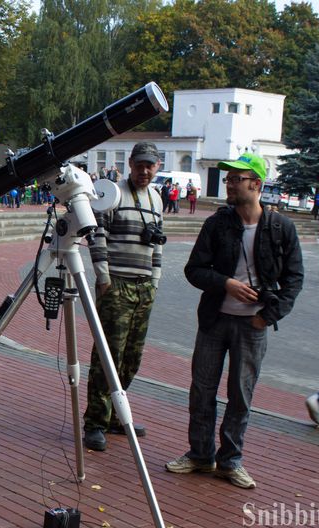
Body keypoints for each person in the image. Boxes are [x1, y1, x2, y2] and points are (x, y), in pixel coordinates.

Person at [165, 153, 303, 489]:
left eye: (235, 179)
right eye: (227, 179)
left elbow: (294, 279)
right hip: (214, 320)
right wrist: (225, 283)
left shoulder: (280, 227)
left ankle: (230, 461)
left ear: (255, 184)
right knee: (202, 391)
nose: (228, 183)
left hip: (252, 326)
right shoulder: (217, 223)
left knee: (241, 395)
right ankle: (200, 455)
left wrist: (267, 317)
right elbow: (194, 269)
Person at [83, 141, 165, 452]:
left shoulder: (156, 198)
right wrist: (103, 278)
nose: (144, 170)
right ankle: (95, 422)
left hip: (144, 286)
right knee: (108, 356)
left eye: (150, 165)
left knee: (132, 357)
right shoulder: (112, 193)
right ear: (130, 163)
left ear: (157, 167)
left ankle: (116, 416)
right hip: (116, 284)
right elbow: (97, 235)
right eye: (140, 164)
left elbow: (157, 245)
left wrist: (155, 281)